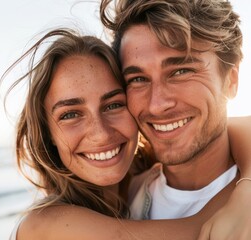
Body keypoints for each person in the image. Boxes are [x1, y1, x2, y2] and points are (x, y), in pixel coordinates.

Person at [1, 28, 244, 240]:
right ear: (47, 133)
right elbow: (207, 231)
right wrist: (243, 195)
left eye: (113, 105)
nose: (101, 134)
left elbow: (227, 127)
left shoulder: (138, 184)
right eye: (70, 114)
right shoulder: (44, 226)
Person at [99, 0, 251, 238]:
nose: (157, 104)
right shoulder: (121, 199)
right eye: (138, 79)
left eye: (181, 71)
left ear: (231, 80)